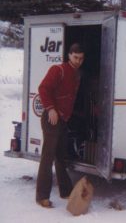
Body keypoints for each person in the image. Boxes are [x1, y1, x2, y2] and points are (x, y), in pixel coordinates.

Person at [36, 43, 85, 208]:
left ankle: (66, 191)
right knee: (47, 157)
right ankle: (42, 196)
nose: (78, 61)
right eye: (75, 57)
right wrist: (51, 109)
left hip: (63, 121)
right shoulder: (59, 70)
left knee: (61, 157)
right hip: (51, 119)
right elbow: (43, 88)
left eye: (81, 58)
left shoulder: (76, 74)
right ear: (69, 55)